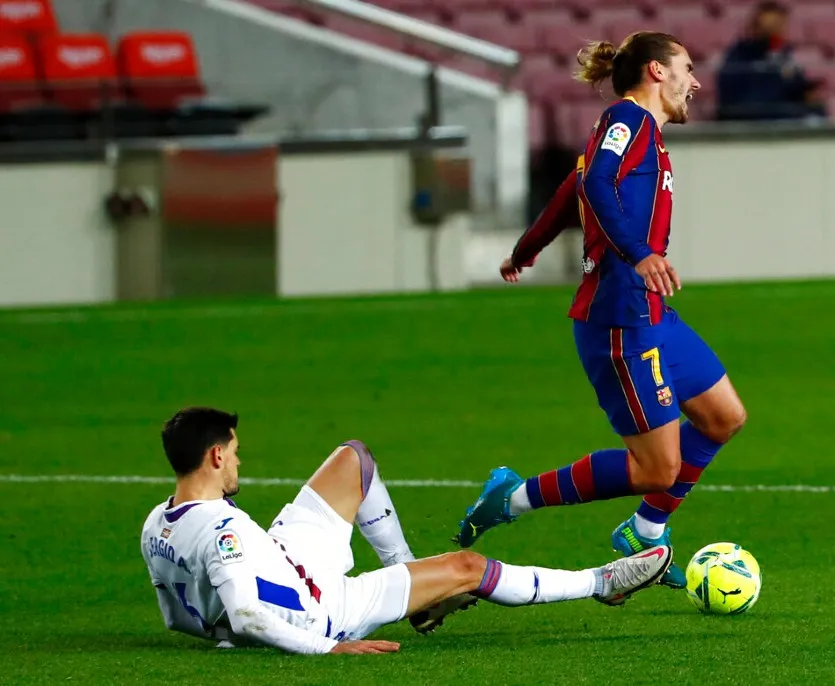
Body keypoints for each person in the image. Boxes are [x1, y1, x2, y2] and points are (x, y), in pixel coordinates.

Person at [454, 32, 747, 592]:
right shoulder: (627, 119)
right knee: (657, 468)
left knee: (723, 417)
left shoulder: (644, 135)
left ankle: (644, 530)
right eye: (687, 67)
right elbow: (593, 180)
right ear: (657, 72)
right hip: (619, 319)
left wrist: (527, 247)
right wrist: (640, 254)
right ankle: (511, 496)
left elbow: (574, 186)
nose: (697, 81)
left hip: (651, 311)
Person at [141, 407, 673, 655]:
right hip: (321, 608)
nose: (240, 461)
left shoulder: (156, 522)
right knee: (467, 569)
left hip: (287, 555)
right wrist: (325, 648)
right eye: (234, 453)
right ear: (214, 455)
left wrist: (216, 634)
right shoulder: (224, 531)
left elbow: (173, 616)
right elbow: (247, 613)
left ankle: (408, 577)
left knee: (353, 459)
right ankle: (603, 583)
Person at [717, 1, 826, 122]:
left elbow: (797, 86)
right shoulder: (738, 58)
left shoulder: (785, 56)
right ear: (755, 26)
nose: (779, 30)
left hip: (786, 121)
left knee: (816, 117)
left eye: (782, 24)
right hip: (753, 124)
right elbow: (739, 104)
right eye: (774, 25)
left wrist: (808, 95)